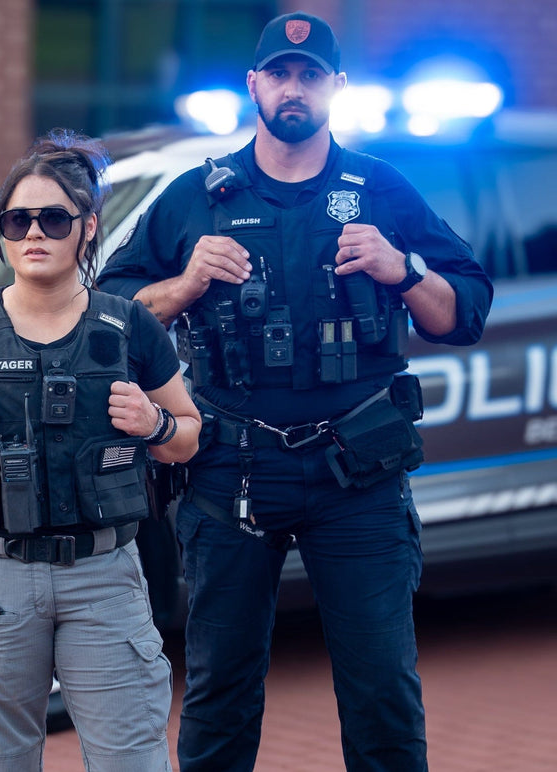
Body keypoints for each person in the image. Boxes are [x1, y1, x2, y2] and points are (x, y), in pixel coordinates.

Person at [98, 12, 493, 772]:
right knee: (220, 688)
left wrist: (402, 268)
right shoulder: (195, 198)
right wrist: (185, 281)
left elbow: (466, 312)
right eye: (278, 73)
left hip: (360, 475)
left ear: (337, 87)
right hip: (230, 471)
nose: (293, 88)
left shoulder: (382, 190)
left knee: (381, 689)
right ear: (254, 84)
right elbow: (111, 320)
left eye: (311, 75)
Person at [0, 129, 201, 771]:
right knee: (7, 761)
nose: (34, 233)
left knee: (131, 759)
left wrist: (154, 422)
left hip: (104, 577)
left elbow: (188, 438)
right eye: (17, 219)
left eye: (54, 218)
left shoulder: (129, 325)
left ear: (87, 228)